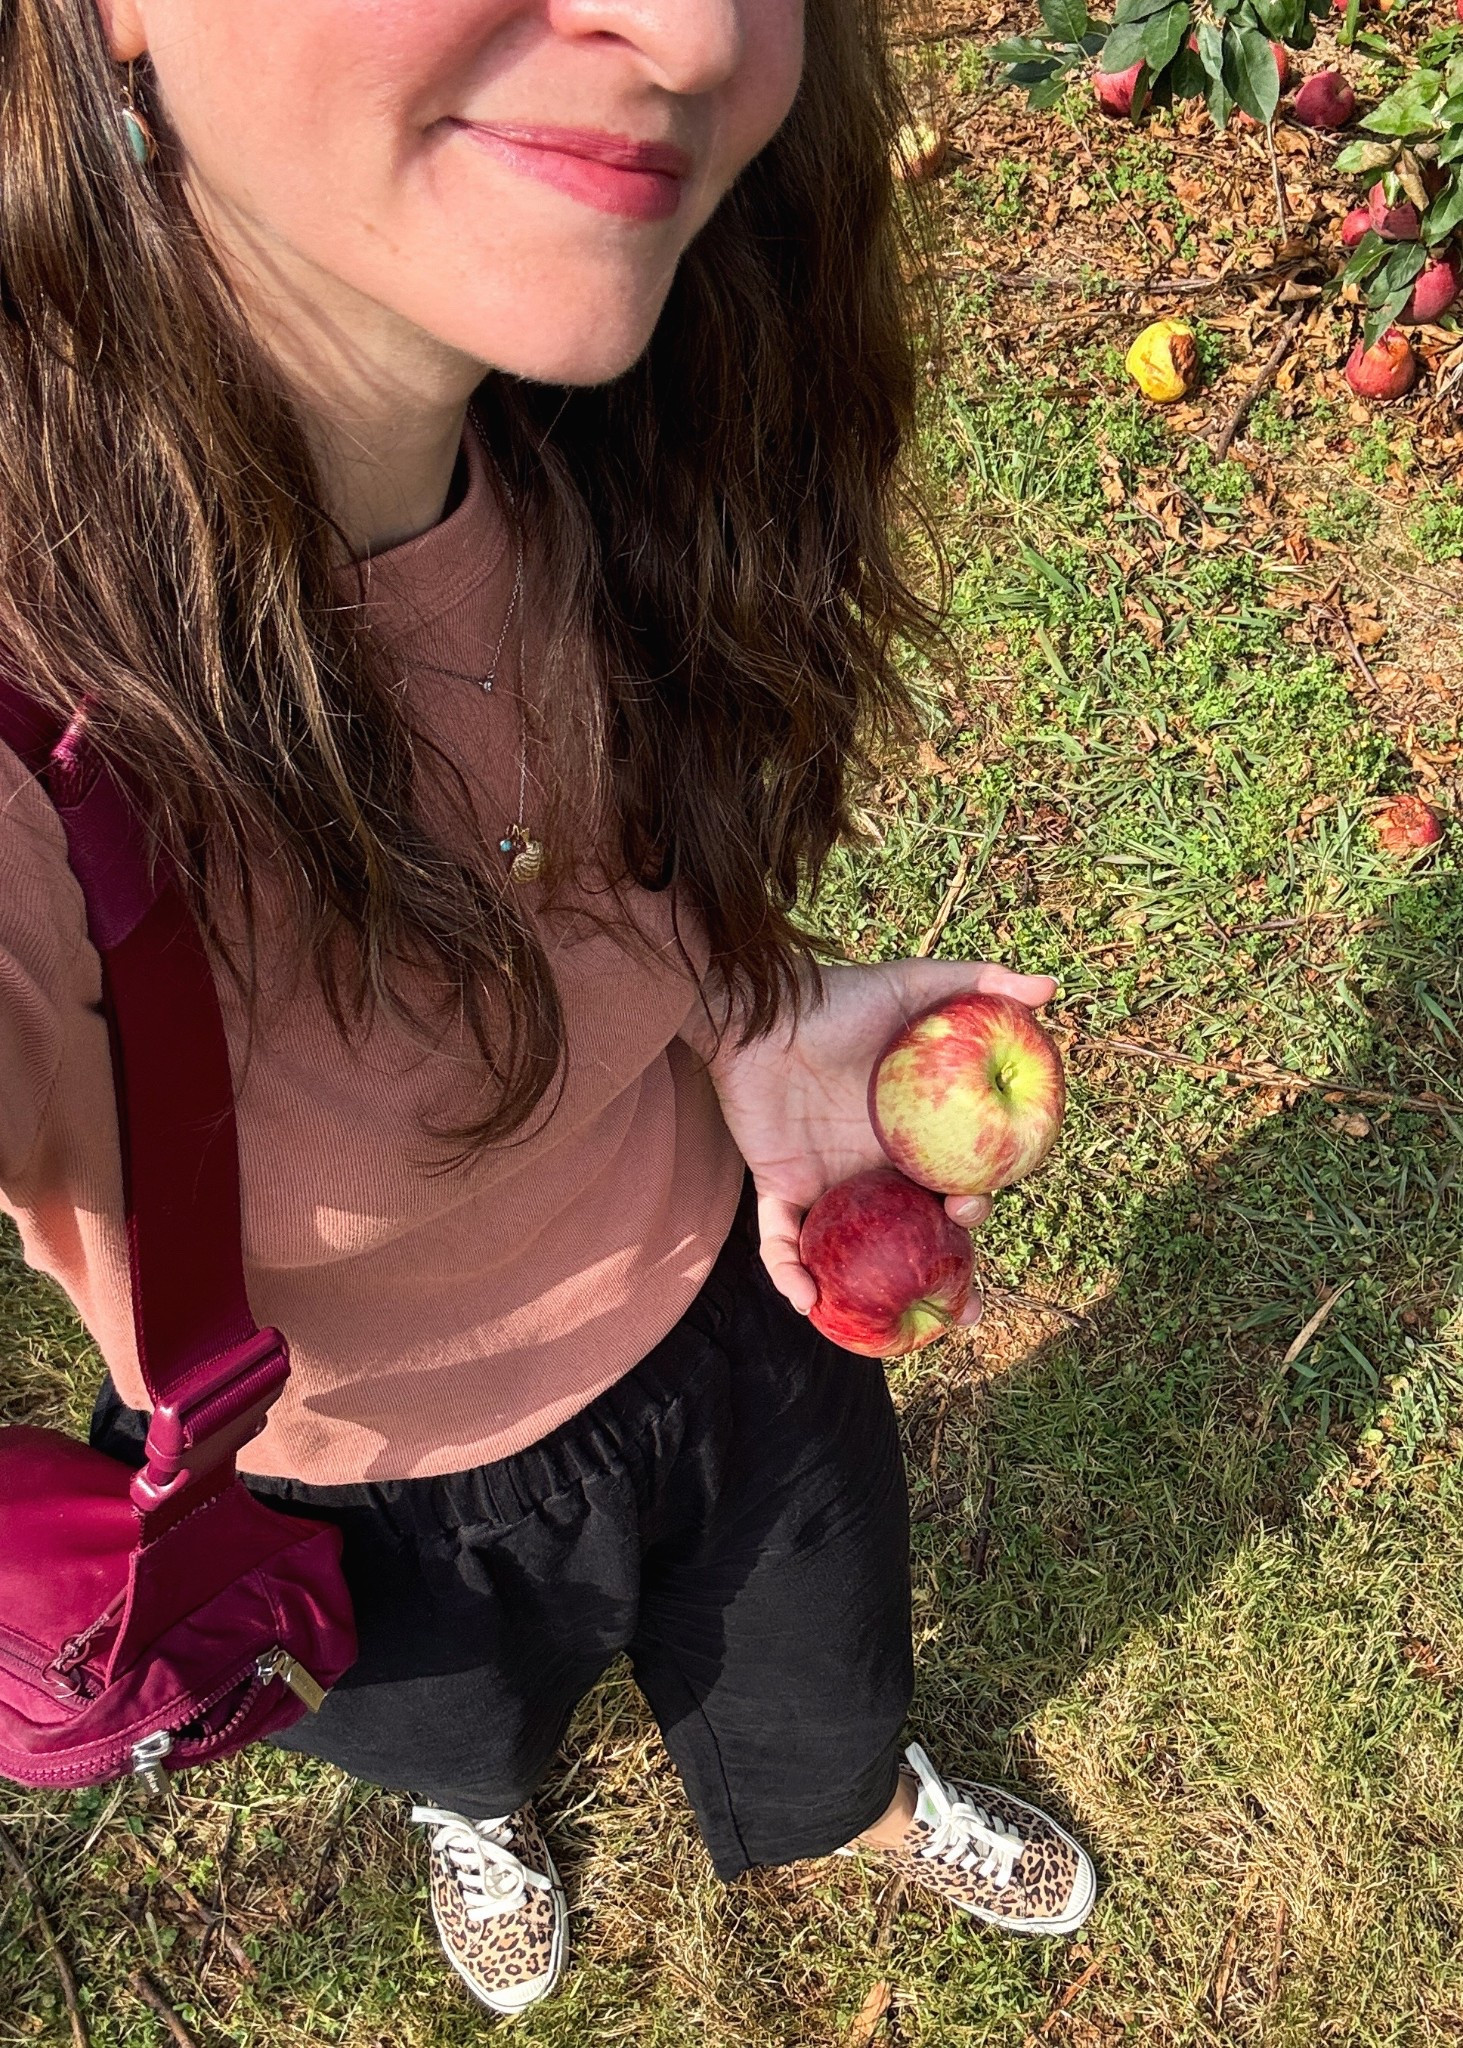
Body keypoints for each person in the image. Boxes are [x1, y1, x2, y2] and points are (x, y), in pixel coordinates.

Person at [0, 0, 1096, 2016]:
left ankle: (852, 1812)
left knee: (817, 1678)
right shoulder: (35, 722)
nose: (695, 34)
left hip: (730, 1324)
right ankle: (480, 1815)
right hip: (351, 1475)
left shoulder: (602, 435)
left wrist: (744, 1022)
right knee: (445, 1727)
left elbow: (604, 876)